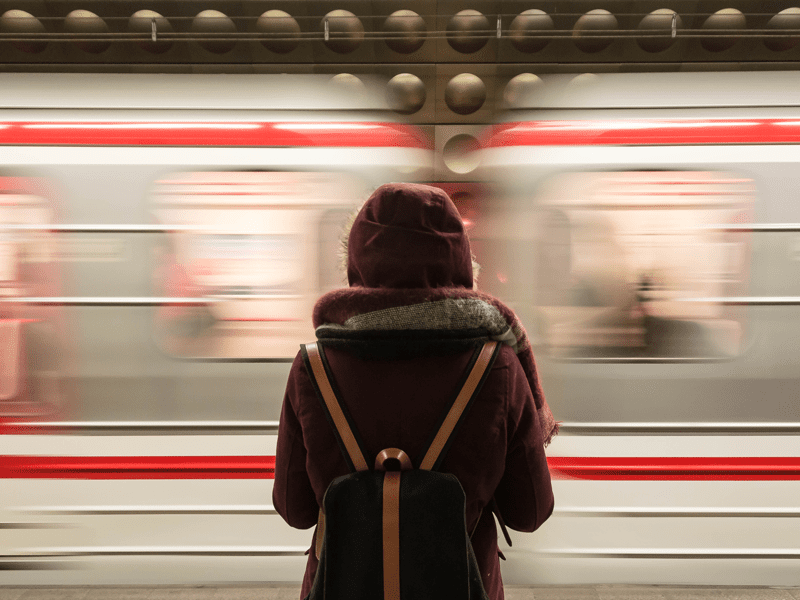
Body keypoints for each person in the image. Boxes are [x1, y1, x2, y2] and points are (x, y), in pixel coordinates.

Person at [273, 183, 557, 600]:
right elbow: (530, 512)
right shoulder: (497, 366)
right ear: (460, 260)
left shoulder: (312, 366)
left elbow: (294, 509)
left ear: (357, 261)